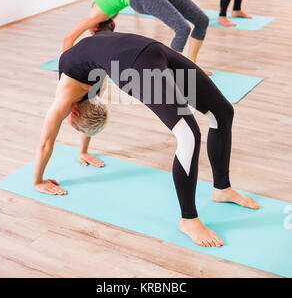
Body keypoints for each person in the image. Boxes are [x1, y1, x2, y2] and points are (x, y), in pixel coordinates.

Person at [34, 27, 260, 248]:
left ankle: (222, 189)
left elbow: (46, 142)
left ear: (73, 112)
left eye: (76, 127)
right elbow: (87, 114)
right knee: (189, 134)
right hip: (143, 49)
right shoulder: (88, 88)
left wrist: (38, 181)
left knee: (222, 113)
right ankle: (189, 219)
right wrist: (83, 151)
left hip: (145, 56)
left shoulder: (64, 98)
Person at [63, 0, 211, 74]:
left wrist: (67, 68)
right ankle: (175, 73)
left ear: (96, 28)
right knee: (182, 28)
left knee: (202, 20)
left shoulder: (96, 16)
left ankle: (192, 67)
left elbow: (68, 37)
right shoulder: (100, 9)